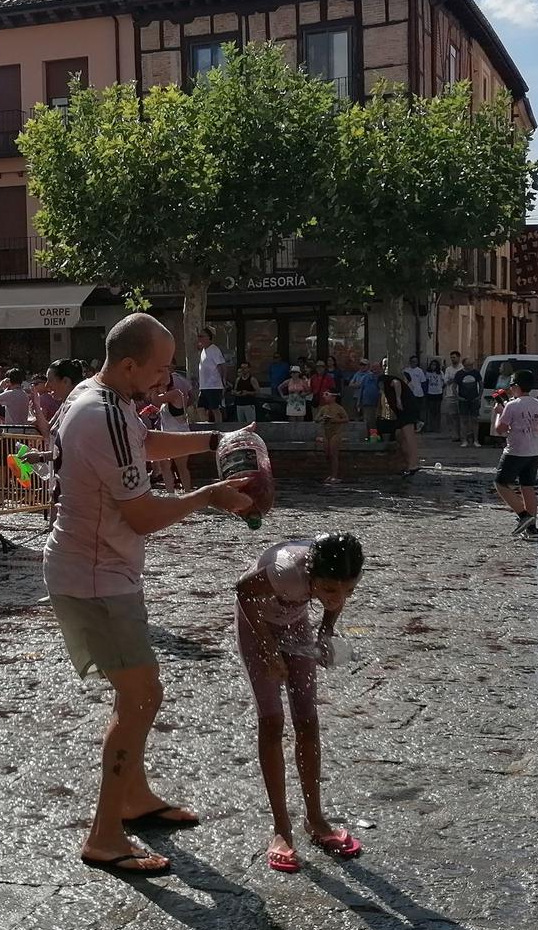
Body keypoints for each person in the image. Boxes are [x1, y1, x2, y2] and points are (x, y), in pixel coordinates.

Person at [45, 312, 254, 877]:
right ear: (130, 363)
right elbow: (139, 515)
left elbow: (144, 443)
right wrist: (207, 496)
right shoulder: (103, 412)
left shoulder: (98, 398)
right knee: (139, 698)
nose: (168, 379)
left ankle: (133, 799)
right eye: (160, 368)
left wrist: (216, 438)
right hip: (95, 575)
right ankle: (104, 835)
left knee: (139, 693)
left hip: (96, 568)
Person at [235, 532, 365, 874]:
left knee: (307, 721)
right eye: (330, 590)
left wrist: (325, 633)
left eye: (348, 590)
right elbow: (244, 592)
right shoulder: (285, 571)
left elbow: (334, 604)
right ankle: (282, 827)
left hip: (294, 625)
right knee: (272, 721)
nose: (338, 599)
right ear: (312, 576)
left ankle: (315, 818)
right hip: (257, 626)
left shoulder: (335, 576)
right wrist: (267, 650)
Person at [492, 368, 538, 538]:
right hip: (535, 451)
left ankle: (524, 516)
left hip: (516, 451)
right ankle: (532, 528)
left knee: (501, 483)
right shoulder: (537, 403)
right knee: (527, 487)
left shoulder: (511, 405)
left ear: (516, 387)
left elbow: (500, 429)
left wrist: (498, 413)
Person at [380, 359, 420, 474]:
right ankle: (407, 463)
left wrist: (398, 399)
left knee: (409, 436)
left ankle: (414, 464)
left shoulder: (388, 378)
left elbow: (396, 383)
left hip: (407, 409)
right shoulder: (389, 379)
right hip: (402, 412)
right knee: (400, 435)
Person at [314, 383, 351, 484]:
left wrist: (335, 420)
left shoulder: (339, 408)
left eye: (327, 395)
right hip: (326, 433)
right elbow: (316, 419)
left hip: (336, 433)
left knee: (333, 454)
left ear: (333, 397)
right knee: (327, 454)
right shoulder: (323, 408)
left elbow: (346, 419)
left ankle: (335, 475)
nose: (324, 397)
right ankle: (330, 474)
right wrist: (323, 418)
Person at [194, 327, 227, 422]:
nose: (199, 338)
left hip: (214, 385)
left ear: (209, 337)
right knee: (200, 408)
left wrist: (223, 380)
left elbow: (222, 366)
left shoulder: (214, 350)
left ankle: (219, 428)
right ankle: (207, 426)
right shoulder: (203, 351)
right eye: (198, 336)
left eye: (201, 336)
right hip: (204, 386)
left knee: (215, 409)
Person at [450, 359, 484, 446]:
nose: (470, 367)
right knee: (463, 420)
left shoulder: (476, 373)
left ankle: (476, 440)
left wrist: (479, 396)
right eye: (468, 365)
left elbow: (480, 384)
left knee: (475, 420)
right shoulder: (459, 374)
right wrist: (458, 397)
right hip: (463, 399)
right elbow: (454, 386)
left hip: (474, 399)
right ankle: (464, 440)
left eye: (471, 365)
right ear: (464, 365)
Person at [421, 359, 445, 434]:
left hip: (438, 393)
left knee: (437, 410)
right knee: (431, 410)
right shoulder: (428, 373)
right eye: (432, 365)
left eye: (434, 365)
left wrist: (441, 388)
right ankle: (430, 426)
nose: (433, 366)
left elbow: (444, 382)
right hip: (430, 393)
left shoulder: (440, 373)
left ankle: (437, 427)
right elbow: (426, 382)